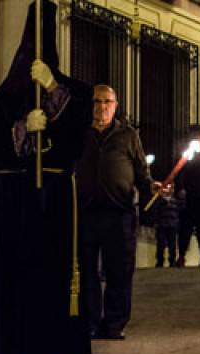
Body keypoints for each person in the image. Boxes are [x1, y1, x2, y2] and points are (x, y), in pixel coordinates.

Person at [0, 1, 94, 354]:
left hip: (54, 200)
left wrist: (54, 89)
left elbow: (78, 142)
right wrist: (22, 128)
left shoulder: (74, 94)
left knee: (55, 281)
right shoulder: (4, 99)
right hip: (15, 203)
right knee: (13, 281)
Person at [77, 84, 158, 340]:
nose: (102, 107)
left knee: (119, 271)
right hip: (86, 213)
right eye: (97, 101)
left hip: (119, 213)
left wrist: (152, 187)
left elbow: (142, 173)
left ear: (115, 106)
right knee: (86, 271)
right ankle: (89, 322)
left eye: (107, 102)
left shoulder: (128, 135)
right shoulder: (80, 134)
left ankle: (114, 323)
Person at [176, 124, 200, 267]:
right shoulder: (187, 151)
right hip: (189, 193)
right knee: (186, 226)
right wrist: (181, 188)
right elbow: (179, 170)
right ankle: (182, 256)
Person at [153, 184, 182, 268]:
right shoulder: (159, 201)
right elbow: (156, 212)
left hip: (172, 225)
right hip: (162, 225)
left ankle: (172, 260)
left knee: (172, 244)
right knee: (160, 244)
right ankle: (160, 261)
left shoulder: (175, 201)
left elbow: (179, 212)